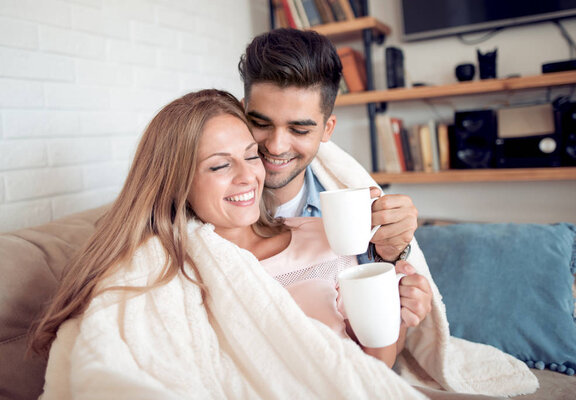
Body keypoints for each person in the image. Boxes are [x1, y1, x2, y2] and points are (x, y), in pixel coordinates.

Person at [28, 89, 536, 399]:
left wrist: (396, 314)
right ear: (176, 181)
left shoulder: (321, 237)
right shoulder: (166, 266)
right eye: (219, 165)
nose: (248, 175)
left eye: (249, 156)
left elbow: (370, 370)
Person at [238, 28, 430, 327]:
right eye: (261, 123)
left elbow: (378, 338)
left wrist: (394, 267)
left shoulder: (353, 212)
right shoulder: (206, 204)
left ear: (327, 129)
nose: (276, 146)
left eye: (299, 130)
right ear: (242, 112)